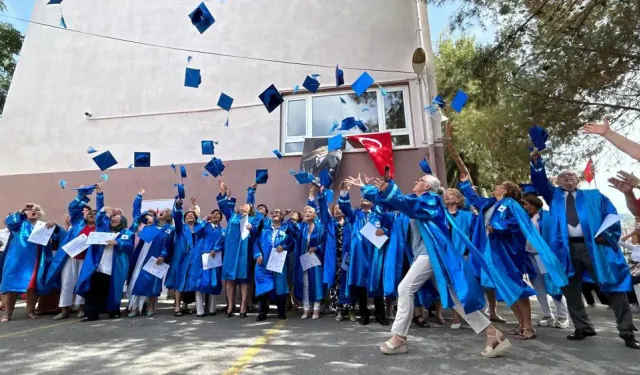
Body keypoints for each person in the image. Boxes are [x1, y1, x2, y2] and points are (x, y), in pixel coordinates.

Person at [350, 173, 510, 358]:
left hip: (432, 254)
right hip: (426, 256)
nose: (415, 181)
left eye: (420, 180)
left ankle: (399, 337)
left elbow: (406, 204)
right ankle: (492, 333)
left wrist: (389, 191)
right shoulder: (414, 199)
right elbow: (393, 203)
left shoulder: (431, 201)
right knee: (455, 299)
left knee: (405, 289)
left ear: (427, 187)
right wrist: (365, 188)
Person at [530, 152, 640, 349]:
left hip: (595, 248)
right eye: (562, 176)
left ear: (578, 179)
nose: (566, 178)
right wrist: (537, 162)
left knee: (613, 288)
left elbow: (612, 216)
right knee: (570, 289)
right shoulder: (553, 195)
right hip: (565, 249)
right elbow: (539, 180)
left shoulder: (595, 196)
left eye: (571, 175)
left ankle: (627, 331)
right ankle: (583, 327)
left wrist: (606, 235)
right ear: (556, 181)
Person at [76, 193, 135, 321]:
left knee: (114, 290)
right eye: (112, 216)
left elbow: (129, 245)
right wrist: (100, 197)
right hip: (99, 265)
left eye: (116, 216)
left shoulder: (127, 233)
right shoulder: (104, 229)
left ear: (123, 219)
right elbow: (100, 217)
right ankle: (91, 314)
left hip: (115, 267)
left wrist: (118, 243)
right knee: (94, 290)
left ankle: (113, 310)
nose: (113, 218)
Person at [47, 185, 103, 320]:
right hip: (71, 257)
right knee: (67, 282)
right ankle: (65, 309)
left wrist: (100, 195)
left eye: (95, 214)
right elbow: (73, 207)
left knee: (82, 282)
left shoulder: (100, 227)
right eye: (90, 213)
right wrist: (81, 195)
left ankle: (81, 308)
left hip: (87, 260)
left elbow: (101, 210)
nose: (92, 215)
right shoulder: (77, 222)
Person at [339, 181, 390, 325]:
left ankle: (381, 314)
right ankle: (364, 314)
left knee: (377, 283)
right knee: (361, 284)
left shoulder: (379, 214)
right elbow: (344, 207)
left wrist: (384, 231)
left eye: (367, 197)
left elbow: (388, 228)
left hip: (375, 252)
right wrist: (344, 193)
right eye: (362, 197)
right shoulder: (355, 215)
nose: (364, 199)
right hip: (360, 254)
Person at [1, 204, 61, 322]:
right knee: (11, 287)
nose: (33, 211)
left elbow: (57, 239)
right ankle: (7, 313)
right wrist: (21, 211)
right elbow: (9, 222)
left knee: (32, 287)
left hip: (36, 260)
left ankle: (30, 311)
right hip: (17, 260)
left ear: (40, 213)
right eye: (30, 209)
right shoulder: (19, 224)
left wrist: (55, 226)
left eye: (36, 209)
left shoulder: (45, 226)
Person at [521, 192, 570, 329]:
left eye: (527, 204)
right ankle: (547, 315)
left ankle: (562, 316)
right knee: (538, 287)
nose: (525, 207)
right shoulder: (525, 218)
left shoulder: (547, 216)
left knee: (553, 286)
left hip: (544, 257)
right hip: (530, 257)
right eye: (524, 204)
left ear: (534, 203)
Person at [216, 181, 261, 318]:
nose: (243, 205)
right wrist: (223, 193)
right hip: (231, 252)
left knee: (244, 279)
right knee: (229, 279)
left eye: (246, 205)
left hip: (244, 252)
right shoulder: (232, 217)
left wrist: (252, 229)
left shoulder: (253, 219)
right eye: (242, 205)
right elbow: (223, 206)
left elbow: (258, 234)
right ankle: (230, 305)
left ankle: (243, 304)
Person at [127, 190, 174, 317]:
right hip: (143, 255)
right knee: (138, 279)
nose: (160, 213)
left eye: (163, 212)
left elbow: (168, 244)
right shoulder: (149, 226)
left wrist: (163, 255)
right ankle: (133, 307)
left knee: (154, 283)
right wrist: (139, 197)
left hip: (157, 258)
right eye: (159, 212)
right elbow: (137, 215)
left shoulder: (169, 229)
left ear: (168, 216)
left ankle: (151, 306)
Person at [316, 186, 355, 322]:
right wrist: (321, 195)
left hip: (347, 257)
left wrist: (344, 193)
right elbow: (322, 210)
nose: (338, 209)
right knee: (335, 284)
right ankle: (339, 310)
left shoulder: (351, 221)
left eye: (340, 208)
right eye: (335, 209)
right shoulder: (330, 223)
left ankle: (350, 310)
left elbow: (348, 208)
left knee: (348, 283)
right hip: (334, 258)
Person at [166, 197, 206, 317]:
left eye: (192, 215)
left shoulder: (200, 229)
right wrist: (178, 206)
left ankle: (195, 307)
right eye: (187, 215)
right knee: (179, 282)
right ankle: (177, 307)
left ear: (196, 218)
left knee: (195, 281)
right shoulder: (180, 229)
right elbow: (177, 217)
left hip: (195, 259)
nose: (189, 216)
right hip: (182, 259)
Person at [443, 188, 476, 329]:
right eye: (445, 195)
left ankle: (473, 315)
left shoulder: (468, 216)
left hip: (463, 255)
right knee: (451, 287)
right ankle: (456, 318)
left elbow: (475, 236)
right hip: (446, 255)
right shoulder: (441, 215)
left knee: (465, 286)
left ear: (458, 199)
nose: (446, 196)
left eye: (449, 195)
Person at [253, 208, 293, 321]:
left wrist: (284, 247)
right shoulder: (264, 230)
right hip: (263, 263)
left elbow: (291, 243)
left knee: (280, 286)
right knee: (262, 287)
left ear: (282, 216)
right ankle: (262, 312)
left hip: (278, 263)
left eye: (277, 213)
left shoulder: (286, 229)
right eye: (273, 213)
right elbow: (255, 243)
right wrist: (257, 255)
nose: (274, 214)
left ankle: (281, 311)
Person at [289, 204, 325, 320]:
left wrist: (317, 248)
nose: (307, 212)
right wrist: (292, 219)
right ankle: (306, 307)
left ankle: (316, 308)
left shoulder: (320, 227)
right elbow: (292, 230)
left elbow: (326, 242)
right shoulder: (301, 227)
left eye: (310, 211)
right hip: (304, 259)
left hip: (316, 258)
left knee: (316, 283)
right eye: (305, 211)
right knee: (305, 284)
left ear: (315, 214)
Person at [188, 209, 225, 317]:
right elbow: (196, 231)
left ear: (220, 219)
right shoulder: (204, 226)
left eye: (218, 214)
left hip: (214, 258)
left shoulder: (222, 231)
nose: (215, 215)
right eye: (213, 213)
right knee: (200, 283)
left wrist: (216, 248)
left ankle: (212, 309)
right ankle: (200, 310)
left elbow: (222, 242)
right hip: (201, 257)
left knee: (213, 282)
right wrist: (204, 221)